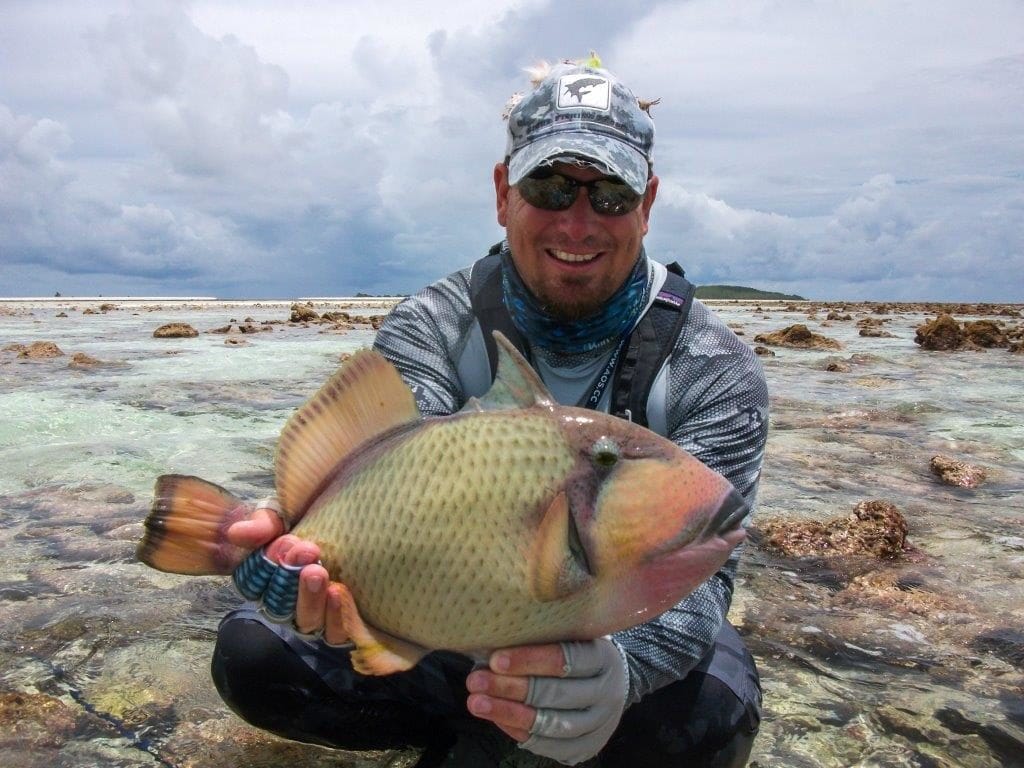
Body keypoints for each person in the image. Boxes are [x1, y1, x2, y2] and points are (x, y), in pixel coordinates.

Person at [211, 55, 769, 767]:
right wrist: (291, 542)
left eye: (611, 195)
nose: (578, 221)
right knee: (256, 654)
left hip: (605, 643)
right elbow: (381, 466)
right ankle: (470, 733)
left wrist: (621, 674)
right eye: (550, 185)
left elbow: (710, 571)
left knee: (716, 720)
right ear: (504, 191)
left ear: (648, 203)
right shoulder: (435, 323)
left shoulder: (712, 365)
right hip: (441, 620)